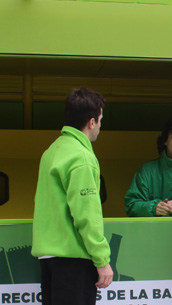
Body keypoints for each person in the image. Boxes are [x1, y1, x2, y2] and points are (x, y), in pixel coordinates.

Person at [32, 88, 112, 305]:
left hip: (48, 258)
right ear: (92, 122)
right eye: (101, 119)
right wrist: (102, 259)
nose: (100, 126)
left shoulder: (52, 151)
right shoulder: (82, 158)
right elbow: (86, 214)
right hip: (73, 258)